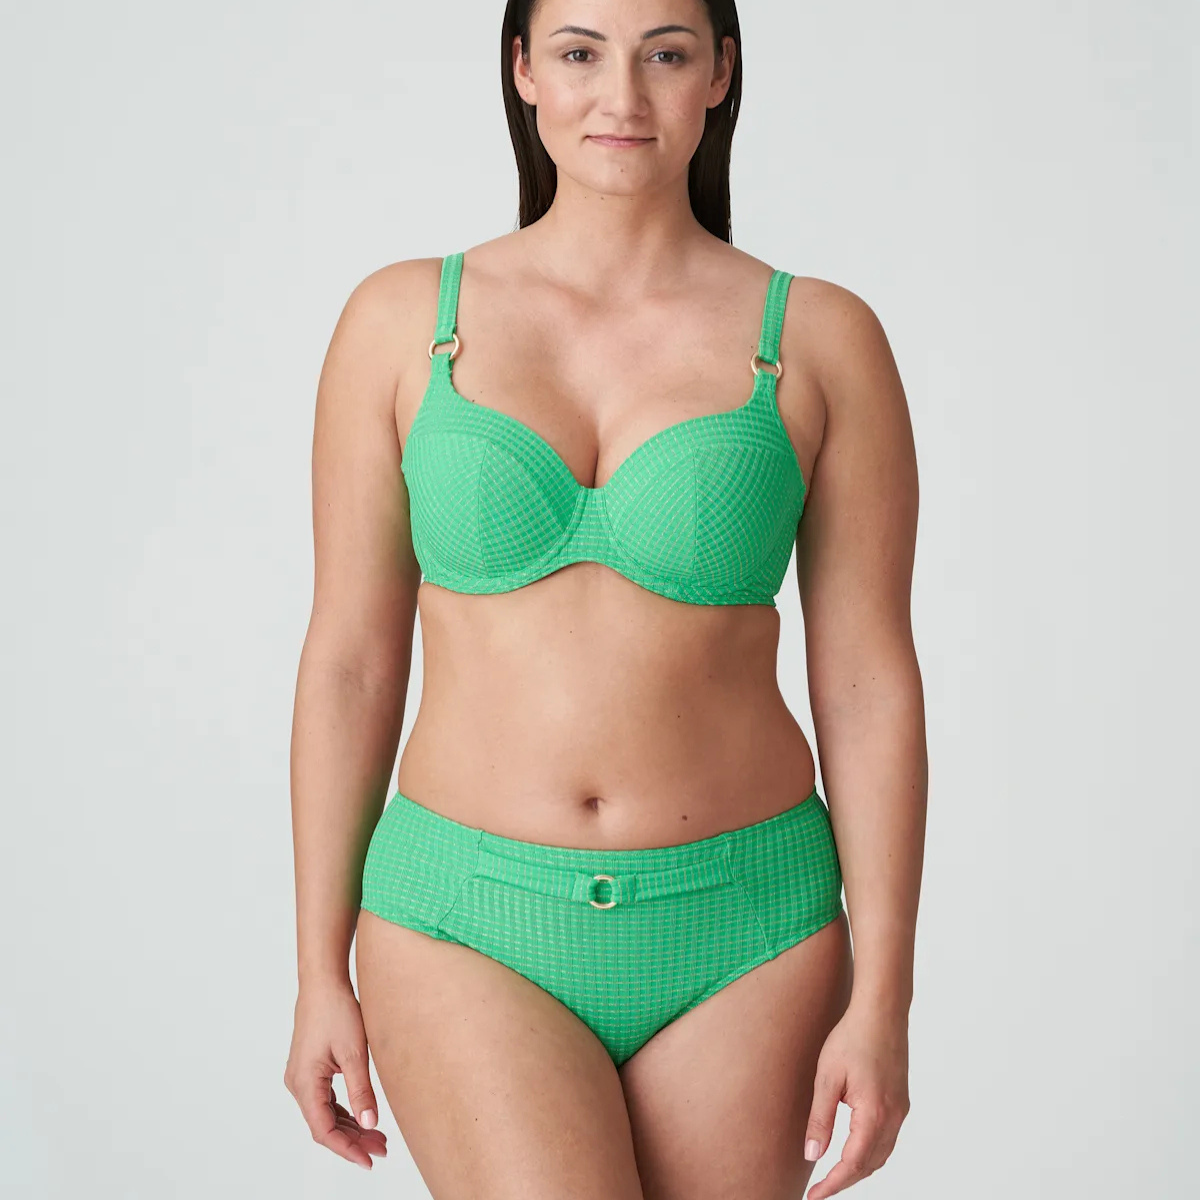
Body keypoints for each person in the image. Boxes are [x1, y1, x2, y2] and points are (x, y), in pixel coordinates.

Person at [284, 1, 927, 1197]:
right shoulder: (400, 322)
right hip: (465, 921)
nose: (621, 97)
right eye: (579, 52)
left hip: (750, 932)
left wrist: (885, 996)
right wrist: (318, 967)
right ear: (524, 70)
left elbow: (867, 680)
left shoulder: (824, 338)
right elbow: (351, 664)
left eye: (665, 54)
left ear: (720, 73)